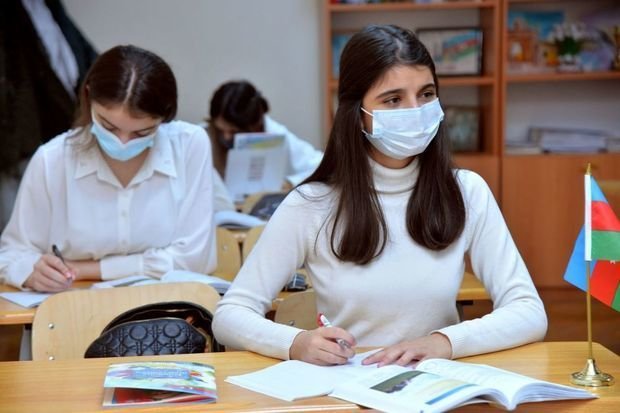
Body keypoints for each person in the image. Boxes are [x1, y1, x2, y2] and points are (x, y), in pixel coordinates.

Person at [213, 25, 547, 367]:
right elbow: (230, 315)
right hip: (346, 382)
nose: (415, 110)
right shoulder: (311, 203)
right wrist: (296, 343)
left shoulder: (466, 191)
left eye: (426, 94)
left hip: (437, 383)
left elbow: (528, 311)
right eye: (393, 99)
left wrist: (444, 342)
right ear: (356, 112)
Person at [0, 45, 217, 292]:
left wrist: (85, 269)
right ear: (88, 96)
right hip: (71, 306)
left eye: (142, 132)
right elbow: (12, 253)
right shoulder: (52, 160)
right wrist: (32, 272)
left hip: (164, 306)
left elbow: (195, 259)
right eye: (109, 127)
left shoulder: (189, 145)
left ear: (164, 118)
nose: (123, 142)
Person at [206, 80, 323, 209]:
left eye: (234, 132)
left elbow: (319, 164)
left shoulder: (274, 133)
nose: (226, 137)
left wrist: (289, 183)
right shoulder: (203, 137)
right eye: (220, 130)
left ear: (255, 126)